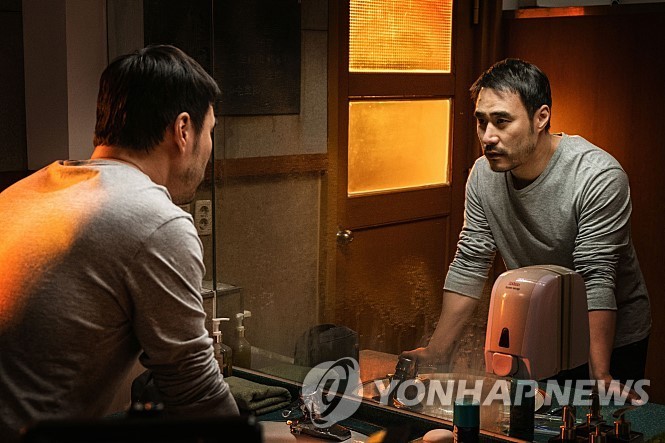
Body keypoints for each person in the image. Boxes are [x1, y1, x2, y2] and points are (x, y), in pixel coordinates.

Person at [0, 45, 239, 443]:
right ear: (183, 130)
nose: (210, 148)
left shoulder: (20, 194)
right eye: (210, 131)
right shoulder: (156, 220)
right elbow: (195, 393)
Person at [403, 58, 651, 392]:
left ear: (541, 117)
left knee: (595, 416)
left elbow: (595, 277)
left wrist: (601, 375)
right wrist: (437, 350)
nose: (488, 136)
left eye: (502, 121)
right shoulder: (483, 175)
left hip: (609, 339)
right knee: (535, 415)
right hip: (541, 327)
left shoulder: (597, 176)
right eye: (481, 122)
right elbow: (471, 261)